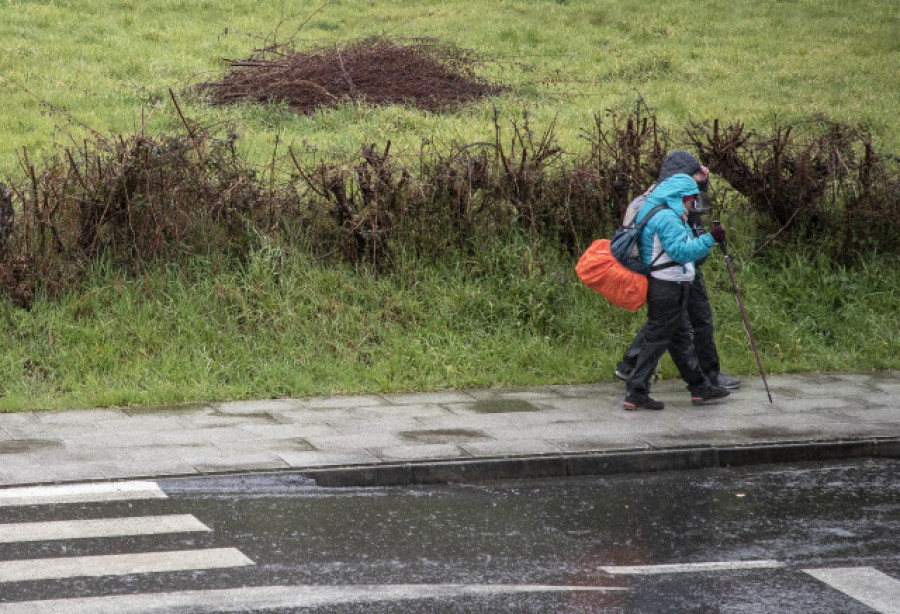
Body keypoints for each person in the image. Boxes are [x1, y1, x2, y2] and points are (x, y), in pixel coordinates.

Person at [616, 150, 741, 391]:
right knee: (677, 324)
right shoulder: (670, 205)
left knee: (665, 324)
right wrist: (710, 240)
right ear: (683, 177)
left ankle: (635, 371)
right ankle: (703, 380)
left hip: (675, 272)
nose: (698, 182)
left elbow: (698, 210)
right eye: (695, 175)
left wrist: (703, 185)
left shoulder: (666, 195)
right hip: (673, 273)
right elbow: (680, 250)